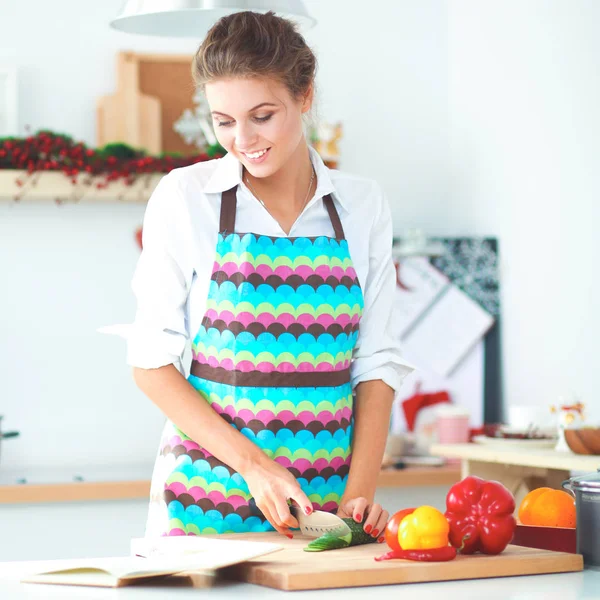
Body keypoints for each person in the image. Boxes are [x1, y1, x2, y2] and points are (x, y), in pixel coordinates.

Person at [125, 11, 414, 540]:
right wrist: (256, 468)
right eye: (224, 121)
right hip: (206, 500)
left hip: (326, 509)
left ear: (304, 95)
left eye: (262, 115)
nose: (243, 140)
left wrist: (359, 494)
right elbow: (151, 365)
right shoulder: (187, 199)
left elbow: (375, 363)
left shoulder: (362, 205)